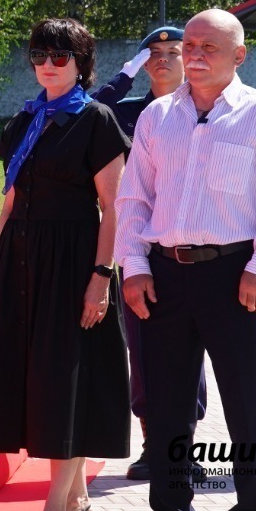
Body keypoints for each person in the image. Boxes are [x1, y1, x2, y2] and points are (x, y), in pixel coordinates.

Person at [114, 8, 256, 511]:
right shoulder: (156, 118)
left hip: (235, 278)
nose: (195, 55)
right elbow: (134, 199)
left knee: (247, 407)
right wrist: (134, 266)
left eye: (209, 47)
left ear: (238, 56)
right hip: (164, 277)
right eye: (190, 45)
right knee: (168, 408)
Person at [0, 18, 130, 511]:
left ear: (81, 63)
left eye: (60, 56)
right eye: (39, 54)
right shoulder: (25, 119)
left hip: (72, 263)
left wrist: (100, 278)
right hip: (22, 263)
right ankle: (77, 502)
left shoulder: (97, 119)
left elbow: (114, 208)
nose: (48, 64)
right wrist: (0, 265)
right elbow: (12, 198)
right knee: (38, 385)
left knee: (64, 385)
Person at [93, 25, 208, 481]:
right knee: (141, 350)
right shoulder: (121, 114)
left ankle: (183, 448)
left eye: (172, 51)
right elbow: (86, 113)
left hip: (188, 246)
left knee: (190, 350)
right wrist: (122, 78)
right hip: (137, 247)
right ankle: (151, 444)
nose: (162, 58)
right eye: (152, 53)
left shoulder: (204, 110)